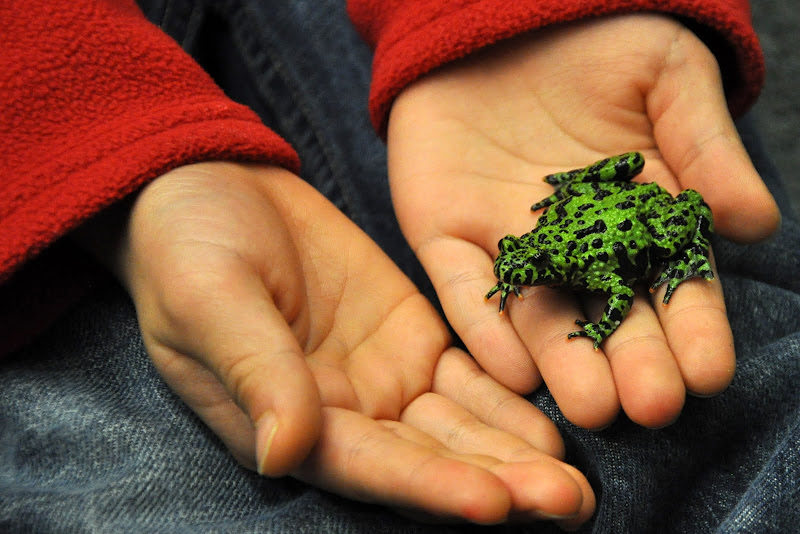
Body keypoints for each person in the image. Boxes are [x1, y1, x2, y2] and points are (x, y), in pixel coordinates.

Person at [1, 0, 797, 532]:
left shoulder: (588, 268)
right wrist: (111, 157)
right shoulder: (541, 253)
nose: (520, 275)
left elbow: (617, 290)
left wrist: (515, 15)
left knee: (736, 369)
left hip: (593, 186)